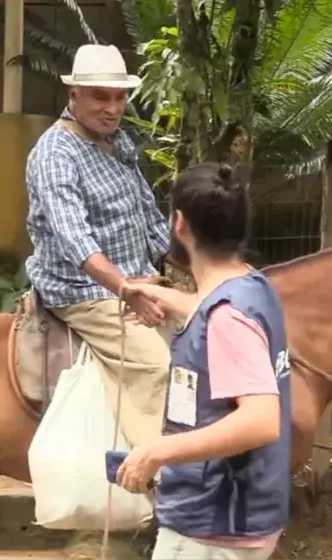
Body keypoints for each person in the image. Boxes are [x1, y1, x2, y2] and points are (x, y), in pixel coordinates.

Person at [115, 163, 292, 560]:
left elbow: (261, 420)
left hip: (213, 527)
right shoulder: (251, 285)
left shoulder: (228, 317)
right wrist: (161, 296)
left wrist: (156, 452)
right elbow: (215, 310)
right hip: (241, 515)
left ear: (179, 224)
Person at [24, 43, 172, 446]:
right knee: (155, 363)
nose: (112, 108)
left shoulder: (117, 142)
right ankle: (153, 470)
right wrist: (126, 288)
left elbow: (149, 215)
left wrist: (182, 270)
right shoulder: (55, 153)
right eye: (100, 97)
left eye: (120, 97)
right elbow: (75, 238)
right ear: (74, 95)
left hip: (138, 280)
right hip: (83, 291)